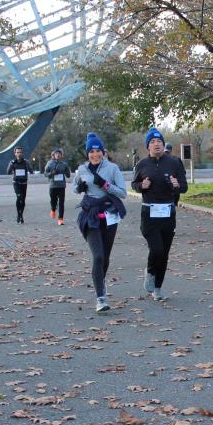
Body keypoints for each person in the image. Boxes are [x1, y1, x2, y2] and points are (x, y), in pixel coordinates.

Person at [131, 127, 187, 300]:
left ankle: (157, 289)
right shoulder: (142, 164)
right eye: (153, 142)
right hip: (149, 214)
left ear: (163, 145)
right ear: (148, 146)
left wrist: (177, 185)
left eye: (159, 141)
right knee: (156, 249)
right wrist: (141, 186)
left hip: (168, 214)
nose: (157, 144)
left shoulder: (174, 163)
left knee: (164, 254)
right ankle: (150, 272)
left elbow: (184, 187)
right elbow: (134, 184)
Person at [74, 133, 127, 312]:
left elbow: (122, 193)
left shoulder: (112, 168)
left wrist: (105, 184)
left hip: (109, 215)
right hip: (90, 215)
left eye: (98, 151)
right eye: (91, 151)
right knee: (97, 256)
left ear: (103, 152)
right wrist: (79, 187)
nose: (95, 154)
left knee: (105, 257)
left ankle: (100, 283)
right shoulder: (82, 169)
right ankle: (101, 299)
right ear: (87, 153)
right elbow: (75, 187)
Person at [44, 148, 71, 225]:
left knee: (61, 203)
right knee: (53, 201)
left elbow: (68, 175)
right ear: (54, 155)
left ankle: (60, 219)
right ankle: (53, 210)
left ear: (61, 156)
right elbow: (45, 174)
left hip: (61, 186)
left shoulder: (64, 164)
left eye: (59, 154)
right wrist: (52, 173)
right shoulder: (50, 163)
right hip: (53, 186)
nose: (58, 155)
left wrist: (66, 172)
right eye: (56, 154)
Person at [6, 147, 31, 223]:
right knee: (19, 197)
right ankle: (19, 215)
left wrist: (28, 166)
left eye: (20, 152)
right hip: (16, 182)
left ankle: (20, 215)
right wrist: (11, 165)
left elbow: (31, 171)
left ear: (22, 153)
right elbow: (8, 172)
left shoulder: (26, 162)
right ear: (15, 154)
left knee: (23, 200)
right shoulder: (12, 162)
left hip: (24, 183)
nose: (19, 154)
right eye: (17, 152)